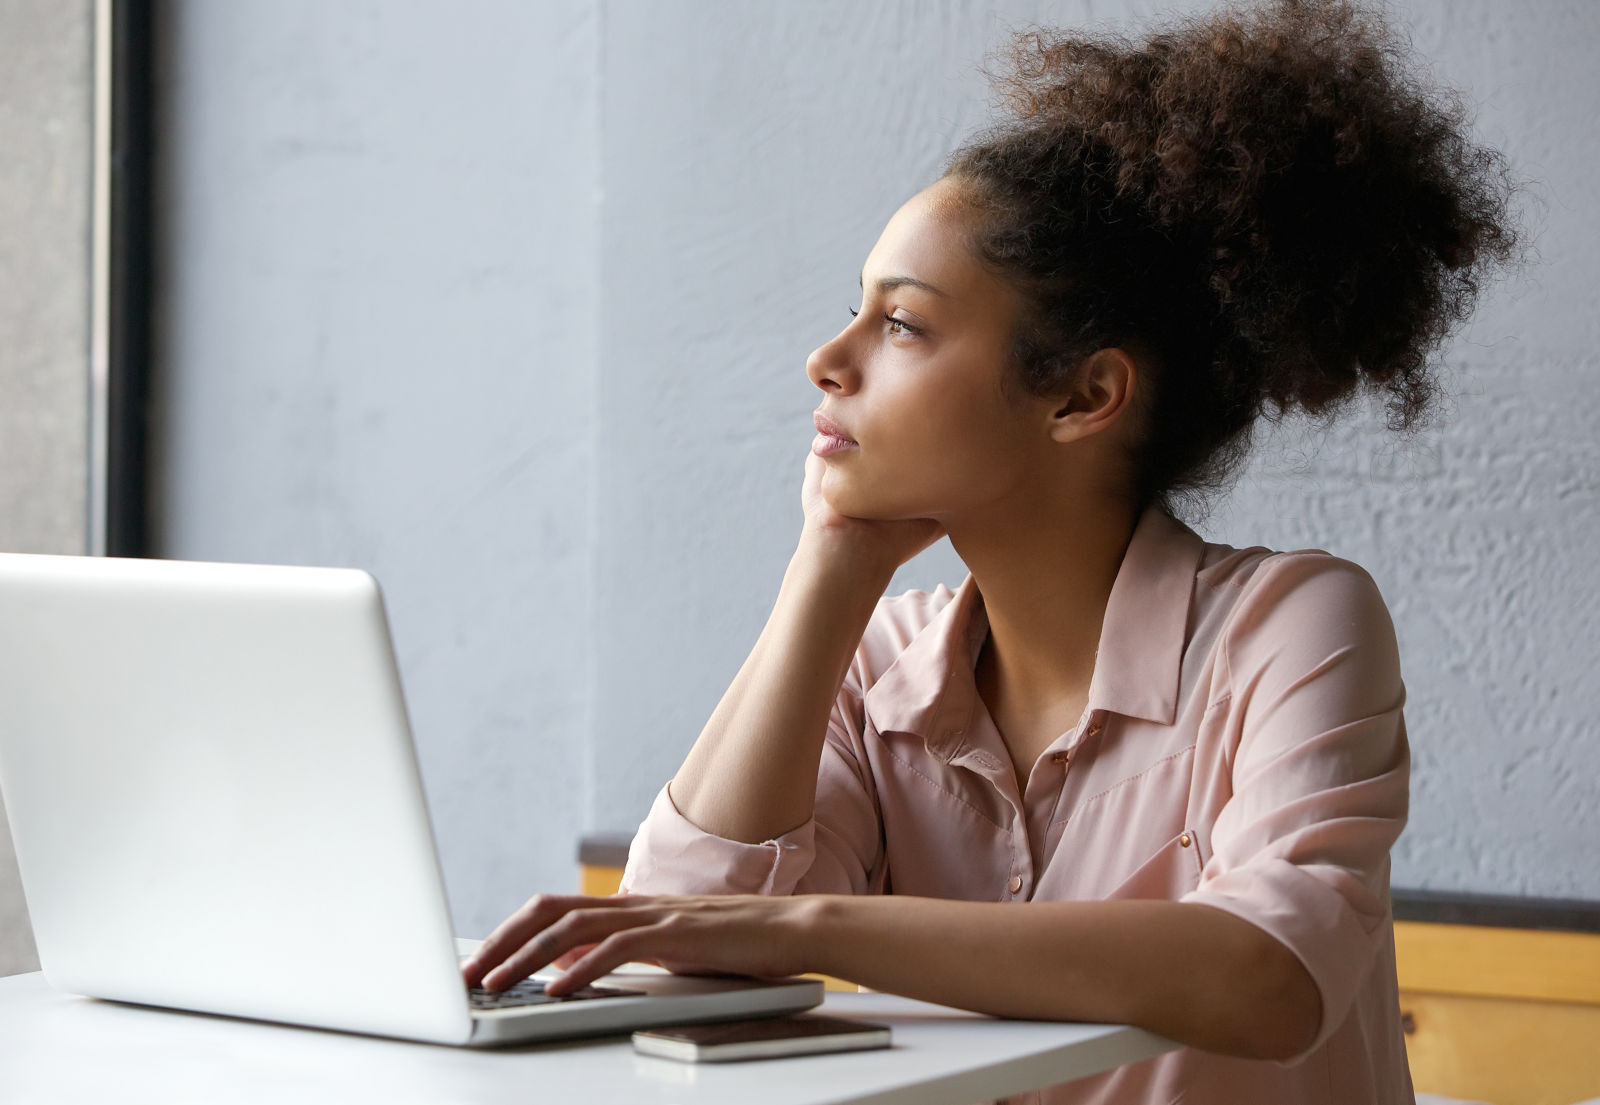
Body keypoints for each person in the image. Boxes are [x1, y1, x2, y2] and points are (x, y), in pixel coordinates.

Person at [462, 0, 1522, 1100]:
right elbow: (686, 930)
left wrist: (825, 923)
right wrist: (829, 568)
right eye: (854, 312)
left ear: (1081, 395)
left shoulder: (1289, 624)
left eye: (903, 324)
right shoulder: (879, 660)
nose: (828, 359)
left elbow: (1271, 977)